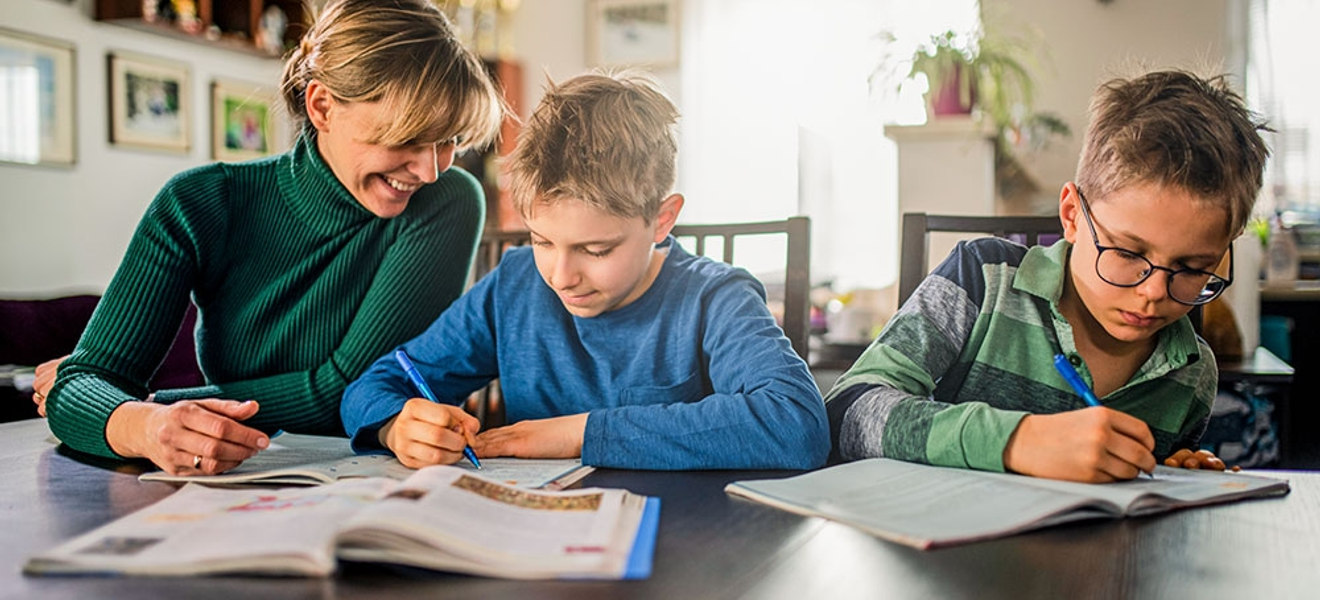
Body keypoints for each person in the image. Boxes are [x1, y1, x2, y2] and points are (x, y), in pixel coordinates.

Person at [38, 0, 504, 475]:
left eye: (449, 141)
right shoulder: (199, 204)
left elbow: (345, 390)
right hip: (236, 479)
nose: (430, 169)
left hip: (380, 479)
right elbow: (83, 386)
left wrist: (145, 405)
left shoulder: (448, 200)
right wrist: (144, 423)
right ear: (322, 106)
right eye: (406, 139)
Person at [341, 71, 829, 470]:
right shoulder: (513, 286)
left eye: (595, 249)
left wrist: (580, 431)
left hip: (679, 545)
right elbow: (374, 386)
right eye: (541, 240)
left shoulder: (714, 297)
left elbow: (797, 424)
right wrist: (395, 424)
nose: (560, 275)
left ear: (661, 219)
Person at [826, 69, 1270, 482]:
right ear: (1072, 215)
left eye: (1192, 268)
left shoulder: (1193, 374)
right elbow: (847, 411)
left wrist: (1175, 471)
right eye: (1128, 252)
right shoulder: (983, 280)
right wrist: (1017, 441)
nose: (1153, 292)